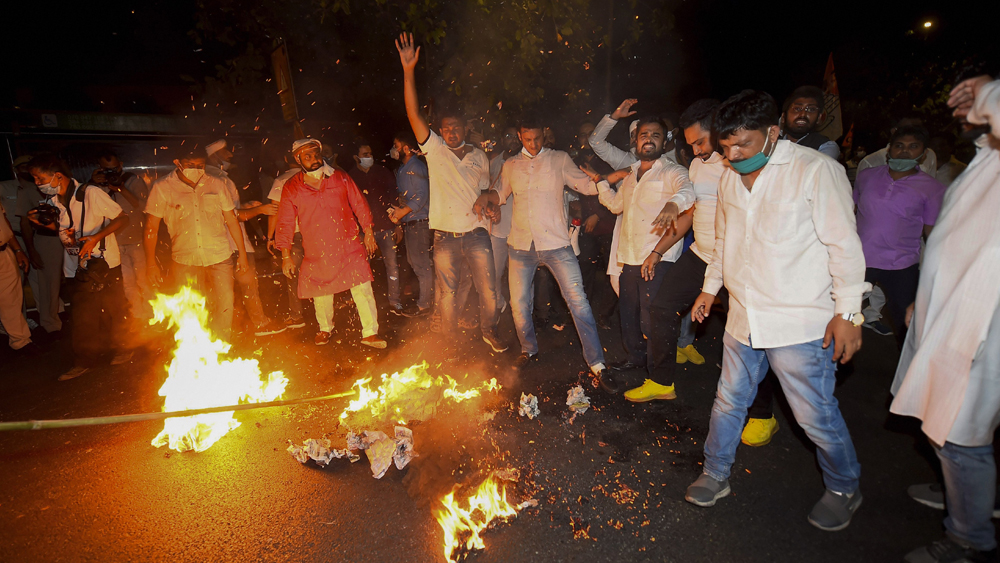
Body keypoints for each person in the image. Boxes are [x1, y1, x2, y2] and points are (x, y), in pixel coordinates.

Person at [683, 90, 867, 533]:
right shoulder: (729, 176)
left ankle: (845, 487)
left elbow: (844, 245)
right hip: (744, 316)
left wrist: (849, 313)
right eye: (726, 147)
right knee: (729, 401)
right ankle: (716, 473)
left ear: (773, 131)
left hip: (799, 321)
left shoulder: (815, 171)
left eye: (743, 144)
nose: (733, 154)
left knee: (813, 415)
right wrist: (710, 289)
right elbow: (725, 241)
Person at [891, 75, 1000, 563]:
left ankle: (968, 540)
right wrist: (926, 299)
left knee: (959, 432)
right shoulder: (986, 162)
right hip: (948, 313)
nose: (962, 110)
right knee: (952, 427)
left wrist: (990, 92)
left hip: (980, 328)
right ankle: (970, 494)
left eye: (972, 104)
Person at [477, 117, 612, 389]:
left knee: (578, 301)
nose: (534, 144)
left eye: (537, 138)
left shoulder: (559, 159)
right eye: (528, 139)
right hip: (520, 246)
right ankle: (528, 349)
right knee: (519, 304)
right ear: (520, 136)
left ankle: (598, 363)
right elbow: (499, 194)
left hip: (557, 245)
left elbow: (584, 186)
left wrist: (603, 180)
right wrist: (485, 197)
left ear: (544, 134)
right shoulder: (511, 164)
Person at [395, 32, 506, 354]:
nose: (451, 132)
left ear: (464, 128)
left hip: (476, 233)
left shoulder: (478, 155)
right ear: (440, 131)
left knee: (488, 289)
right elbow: (413, 113)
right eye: (445, 129)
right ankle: (448, 342)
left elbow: (486, 194)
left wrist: (491, 208)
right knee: (447, 293)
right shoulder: (435, 150)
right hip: (444, 235)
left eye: (456, 127)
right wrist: (408, 70)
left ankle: (490, 330)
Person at [589, 116, 695, 395]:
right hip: (629, 257)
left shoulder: (672, 172)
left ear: (665, 141)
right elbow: (613, 206)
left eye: (656, 135)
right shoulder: (630, 176)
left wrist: (674, 203)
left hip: (656, 259)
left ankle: (660, 376)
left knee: (653, 319)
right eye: (644, 134)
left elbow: (688, 192)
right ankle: (637, 359)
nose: (649, 139)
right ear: (636, 140)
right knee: (629, 315)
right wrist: (601, 183)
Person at [638, 99, 724, 403]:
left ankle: (758, 413)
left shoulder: (737, 164)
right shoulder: (698, 165)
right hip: (701, 255)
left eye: (701, 141)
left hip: (735, 262)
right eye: (691, 144)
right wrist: (658, 252)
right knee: (661, 307)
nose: (697, 150)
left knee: (748, 336)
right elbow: (689, 213)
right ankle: (661, 382)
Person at [28, 155, 132, 380]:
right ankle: (85, 360)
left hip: (104, 264)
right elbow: (65, 230)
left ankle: (125, 347)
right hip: (76, 267)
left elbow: (123, 219)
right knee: (83, 316)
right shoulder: (53, 201)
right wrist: (43, 223)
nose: (37, 183)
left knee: (114, 310)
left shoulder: (90, 193)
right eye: (34, 178)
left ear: (58, 175)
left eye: (39, 177)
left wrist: (96, 237)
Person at [274, 139, 386, 349]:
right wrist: (286, 255)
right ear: (298, 160)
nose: (315, 160)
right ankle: (325, 328)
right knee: (321, 293)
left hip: (349, 245)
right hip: (317, 251)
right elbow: (286, 222)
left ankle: (370, 332)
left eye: (316, 155)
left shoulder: (340, 177)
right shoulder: (292, 187)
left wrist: (368, 231)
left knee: (362, 286)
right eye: (308, 157)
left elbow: (359, 203)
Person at [854, 125, 945, 349]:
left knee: (906, 323)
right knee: (843, 313)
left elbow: (930, 232)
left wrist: (936, 270)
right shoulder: (866, 176)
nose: (904, 152)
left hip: (901, 265)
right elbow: (851, 213)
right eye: (899, 146)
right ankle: (836, 363)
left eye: (913, 147)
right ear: (889, 150)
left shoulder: (932, 188)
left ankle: (909, 375)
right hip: (858, 259)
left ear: (923, 154)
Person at [145, 148, 250, 342]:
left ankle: (221, 345)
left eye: (200, 166)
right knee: (190, 307)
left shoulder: (217, 184)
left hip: (219, 255)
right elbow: (151, 227)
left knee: (225, 303)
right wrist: (151, 264)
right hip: (185, 259)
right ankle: (195, 347)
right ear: (178, 162)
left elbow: (232, 220)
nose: (196, 169)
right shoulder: (162, 187)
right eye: (190, 165)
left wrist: (242, 255)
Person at [205, 139, 285, 337]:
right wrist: (260, 209)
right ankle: (260, 324)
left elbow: (230, 210)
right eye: (225, 152)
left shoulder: (214, 178)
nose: (231, 155)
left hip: (218, 244)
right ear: (214, 156)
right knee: (247, 286)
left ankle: (223, 331)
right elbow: (232, 217)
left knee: (222, 292)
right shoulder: (219, 180)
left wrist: (247, 206)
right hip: (232, 243)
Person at [90, 150, 154, 324]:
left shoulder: (133, 181)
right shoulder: (95, 187)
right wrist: (93, 183)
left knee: (144, 280)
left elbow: (145, 207)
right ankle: (138, 316)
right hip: (115, 243)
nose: (112, 173)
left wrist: (122, 189)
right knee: (127, 283)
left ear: (121, 165)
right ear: (100, 168)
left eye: (114, 169)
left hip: (137, 240)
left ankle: (154, 315)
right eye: (106, 169)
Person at [348, 139, 403, 315]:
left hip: (386, 227)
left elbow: (394, 198)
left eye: (370, 153)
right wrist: (359, 233)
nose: (369, 157)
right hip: (363, 233)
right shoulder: (350, 177)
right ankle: (365, 306)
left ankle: (395, 301)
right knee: (363, 269)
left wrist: (398, 225)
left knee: (392, 265)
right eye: (365, 155)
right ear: (356, 157)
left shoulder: (383, 172)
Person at [388, 131, 433, 317]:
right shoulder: (403, 169)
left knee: (422, 265)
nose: (393, 150)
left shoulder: (416, 167)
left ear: (406, 148)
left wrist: (402, 212)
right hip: (410, 223)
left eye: (396, 146)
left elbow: (422, 196)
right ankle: (426, 300)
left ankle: (426, 306)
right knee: (414, 262)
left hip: (419, 223)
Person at [267, 154, 308, 328]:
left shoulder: (282, 180)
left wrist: (271, 237)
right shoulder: (311, 178)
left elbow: (274, 211)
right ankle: (326, 313)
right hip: (313, 232)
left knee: (291, 273)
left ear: (285, 159)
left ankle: (297, 315)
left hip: (293, 234)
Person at [485, 126, 519, 314]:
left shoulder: (525, 162)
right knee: (493, 274)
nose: (513, 140)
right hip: (497, 230)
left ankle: (521, 311)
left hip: (519, 231)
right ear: (502, 139)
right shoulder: (494, 162)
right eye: (508, 136)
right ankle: (498, 305)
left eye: (516, 137)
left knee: (519, 278)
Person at [0, 198, 34, 353]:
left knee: (11, 299)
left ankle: (20, 341)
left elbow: (4, 222)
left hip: (4, 251)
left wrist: (18, 250)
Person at [857, 117, 938, 176]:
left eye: (918, 129)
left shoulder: (930, 155)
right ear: (894, 131)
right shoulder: (869, 163)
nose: (914, 133)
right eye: (908, 129)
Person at [780, 86, 841, 160]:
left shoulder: (826, 146)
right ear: (783, 117)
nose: (803, 114)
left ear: (819, 118)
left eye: (811, 109)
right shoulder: (772, 144)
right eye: (797, 108)